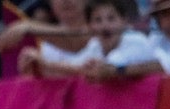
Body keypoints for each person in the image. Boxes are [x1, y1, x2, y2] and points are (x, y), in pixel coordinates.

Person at [19, 0, 156, 77]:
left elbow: (101, 70)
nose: (104, 25)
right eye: (98, 20)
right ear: (90, 26)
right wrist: (37, 65)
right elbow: (76, 65)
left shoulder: (136, 41)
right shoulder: (95, 44)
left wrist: (45, 63)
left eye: (111, 18)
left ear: (124, 21)